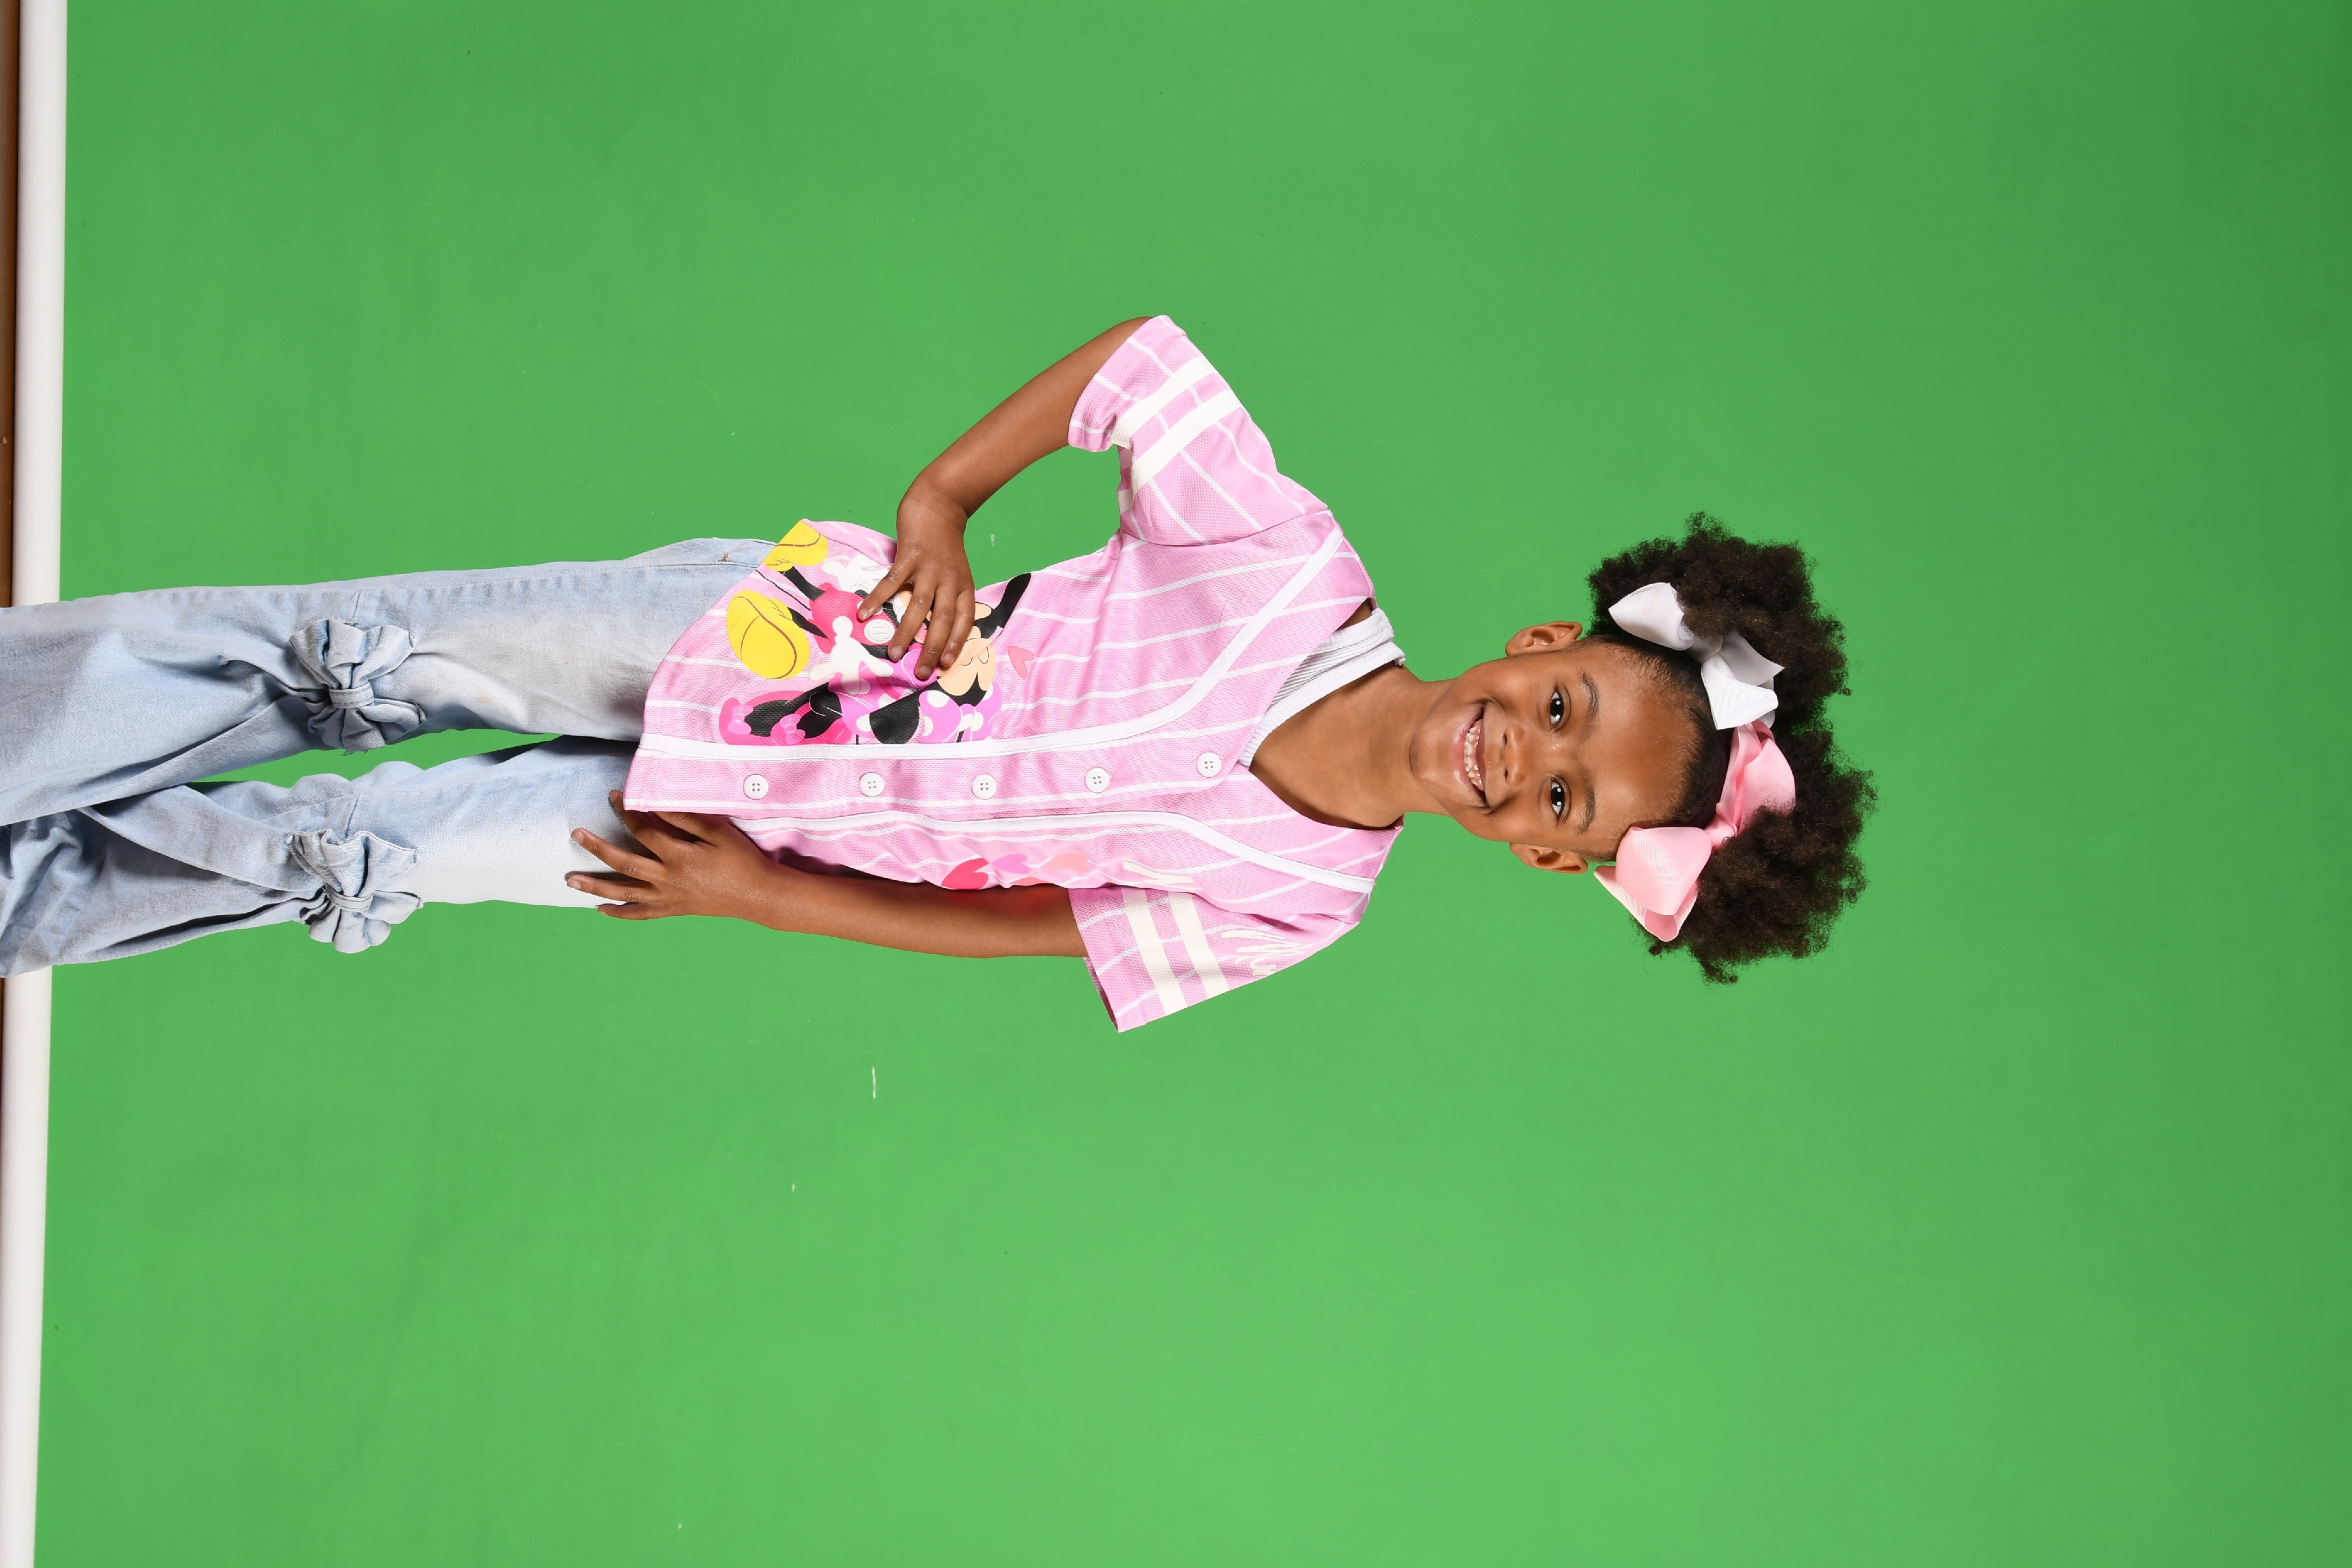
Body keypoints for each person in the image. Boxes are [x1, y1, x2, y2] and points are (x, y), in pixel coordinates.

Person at [0, 318, 1871, 1027]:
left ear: (1549, 854)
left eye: (1566, 798)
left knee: (358, 861)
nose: (1523, 754)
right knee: (347, 662)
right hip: (764, 640)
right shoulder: (1293, 564)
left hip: (748, 844)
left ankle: (24, 898)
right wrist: (943, 498)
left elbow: (1032, 930)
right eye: (1563, 711)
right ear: (1547, 646)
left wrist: (762, 899)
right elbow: (1137, 367)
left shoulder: (1305, 905)